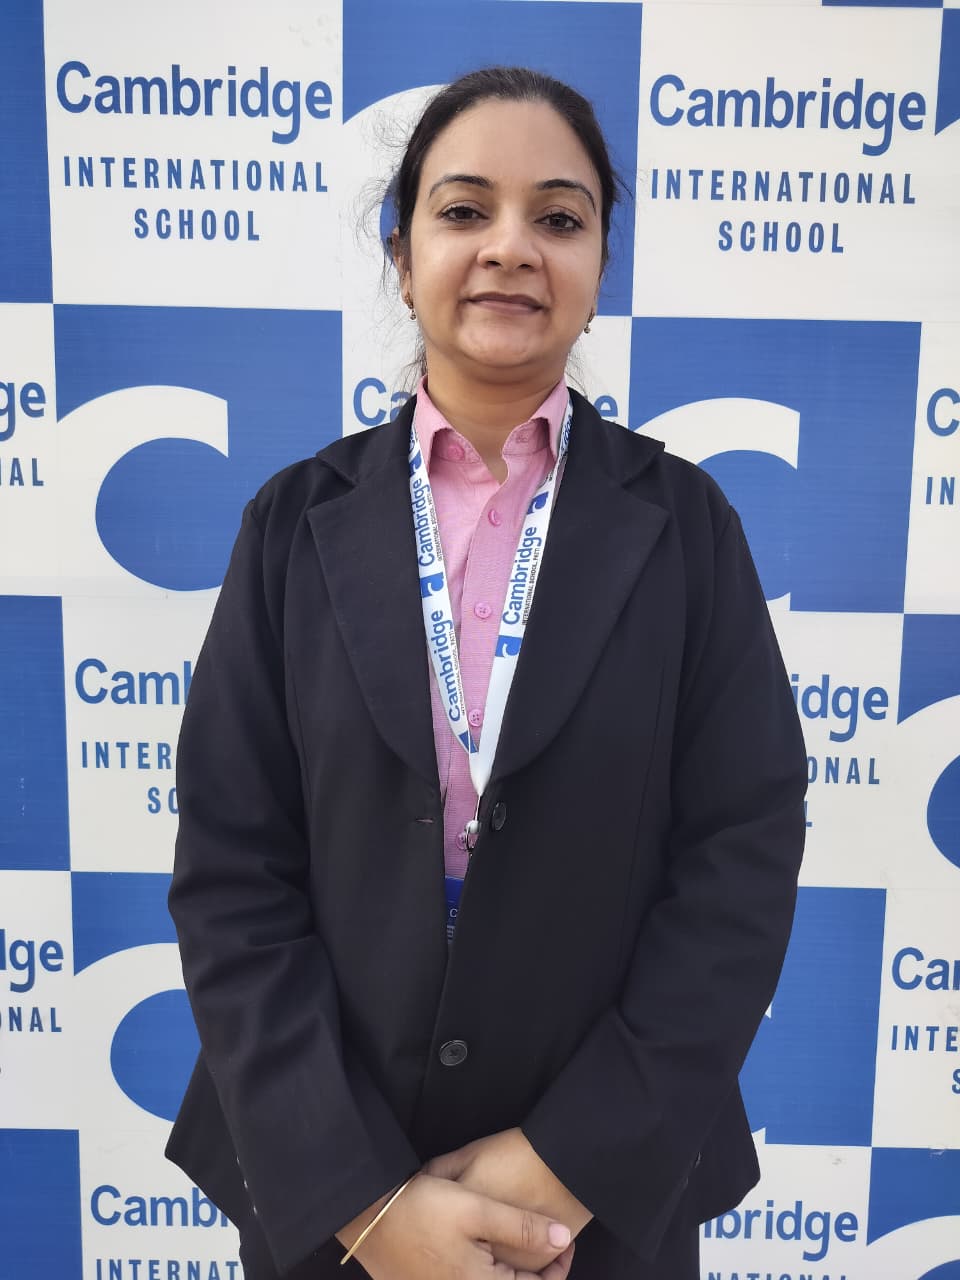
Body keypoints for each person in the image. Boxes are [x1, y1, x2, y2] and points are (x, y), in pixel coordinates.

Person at [165, 66, 807, 1280]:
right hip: (332, 1189)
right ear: (402, 257)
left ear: (598, 269)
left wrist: (568, 1163)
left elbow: (742, 854)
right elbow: (232, 874)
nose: (512, 246)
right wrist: (364, 1200)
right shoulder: (291, 526)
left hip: (600, 1200)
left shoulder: (687, 527)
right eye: (464, 210)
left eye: (558, 217)